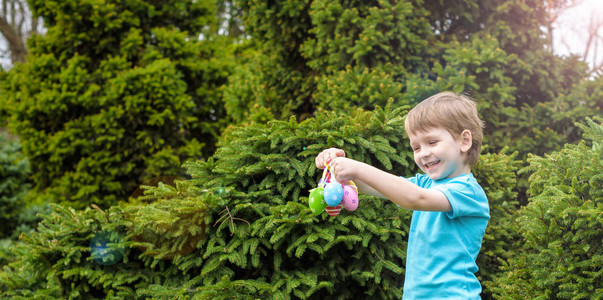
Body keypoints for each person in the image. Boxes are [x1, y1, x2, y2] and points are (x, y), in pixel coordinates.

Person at [314, 92, 489, 299]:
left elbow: (415, 198)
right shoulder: (426, 183)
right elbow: (376, 186)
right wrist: (338, 169)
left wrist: (357, 168)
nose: (423, 153)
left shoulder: (467, 191)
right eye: (416, 147)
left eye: (432, 142)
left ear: (464, 141)